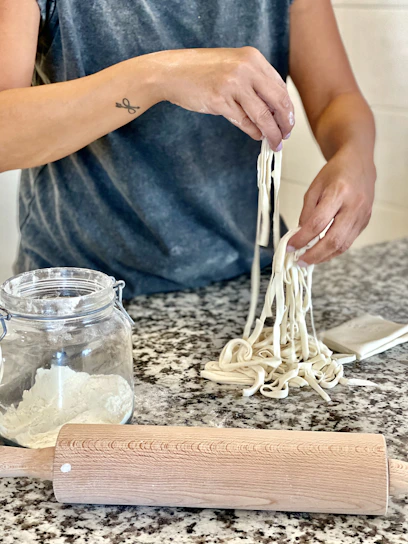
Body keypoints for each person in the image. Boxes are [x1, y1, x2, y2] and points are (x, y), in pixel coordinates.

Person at [0, 0, 376, 298]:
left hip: (250, 287)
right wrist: (157, 77)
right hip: (82, 301)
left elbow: (334, 97)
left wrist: (356, 156)